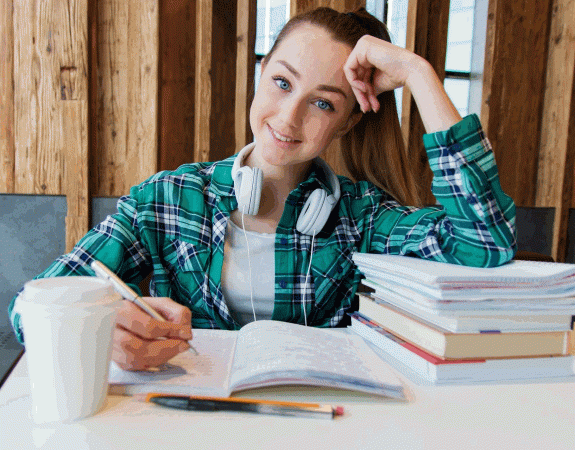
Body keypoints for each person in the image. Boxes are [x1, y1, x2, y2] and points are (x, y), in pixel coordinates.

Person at [9, 7, 516, 371]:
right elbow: (29, 310)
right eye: (281, 82)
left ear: (345, 123)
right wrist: (102, 330)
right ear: (260, 74)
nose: (289, 117)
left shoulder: (361, 218)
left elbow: (485, 242)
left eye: (323, 103)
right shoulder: (164, 201)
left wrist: (419, 74)